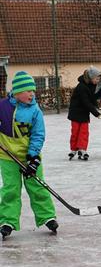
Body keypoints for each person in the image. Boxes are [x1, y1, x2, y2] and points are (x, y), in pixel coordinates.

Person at [0, 71, 58, 238]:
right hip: (7, 157)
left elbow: (38, 134)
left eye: (33, 90)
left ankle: (47, 217)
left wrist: (33, 158)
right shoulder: (3, 106)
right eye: (28, 91)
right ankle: (8, 221)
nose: (32, 94)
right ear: (17, 92)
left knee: (37, 186)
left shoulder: (35, 111)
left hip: (29, 156)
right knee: (10, 189)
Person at [68, 66, 101, 161]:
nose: (98, 80)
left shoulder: (91, 85)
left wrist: (96, 105)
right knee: (75, 132)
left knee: (84, 132)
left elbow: (91, 98)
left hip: (84, 113)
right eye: (97, 78)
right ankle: (74, 149)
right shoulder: (82, 87)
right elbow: (85, 102)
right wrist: (95, 113)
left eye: (99, 79)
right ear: (91, 77)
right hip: (76, 112)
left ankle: (82, 149)